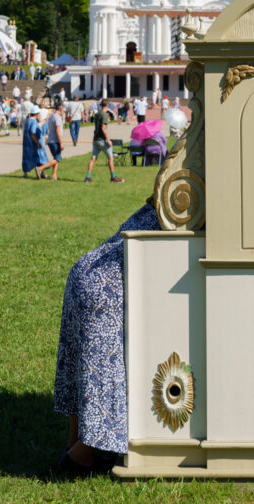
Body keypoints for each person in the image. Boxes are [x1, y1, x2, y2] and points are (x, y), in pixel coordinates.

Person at [54, 198, 160, 474]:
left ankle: (78, 444)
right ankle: (84, 451)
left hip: (88, 274)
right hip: (104, 287)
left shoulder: (157, 204)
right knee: (104, 369)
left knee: (85, 366)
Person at [84, 99, 124, 184]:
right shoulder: (104, 115)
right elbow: (103, 128)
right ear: (107, 105)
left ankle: (88, 177)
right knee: (110, 158)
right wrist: (108, 139)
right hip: (102, 139)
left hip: (95, 138)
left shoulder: (97, 114)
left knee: (93, 158)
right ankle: (113, 177)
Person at [38, 99, 64, 180]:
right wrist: (61, 142)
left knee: (56, 158)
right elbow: (57, 130)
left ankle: (54, 176)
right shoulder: (57, 117)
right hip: (55, 141)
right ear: (61, 109)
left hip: (50, 140)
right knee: (57, 159)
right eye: (63, 110)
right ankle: (40, 169)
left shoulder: (52, 115)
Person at [22, 104, 48, 178]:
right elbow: (32, 133)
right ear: (36, 114)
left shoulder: (28, 121)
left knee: (26, 158)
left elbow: (37, 125)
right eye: (38, 113)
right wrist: (38, 143)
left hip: (26, 143)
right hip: (33, 143)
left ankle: (25, 173)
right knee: (38, 158)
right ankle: (40, 172)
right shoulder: (33, 122)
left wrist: (45, 120)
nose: (39, 115)